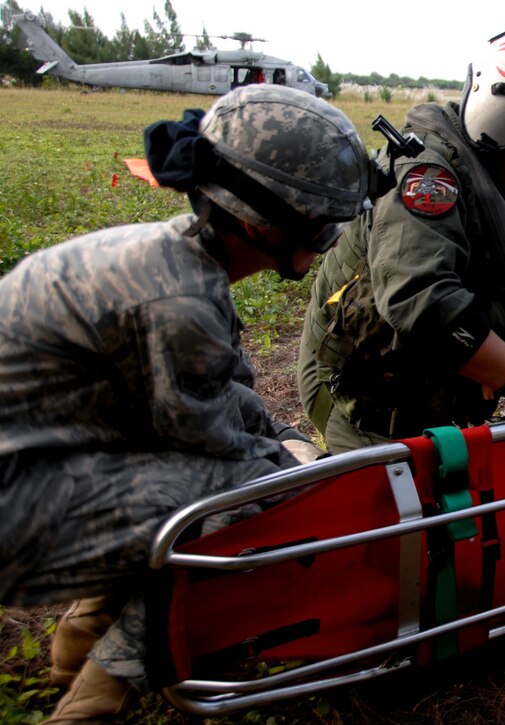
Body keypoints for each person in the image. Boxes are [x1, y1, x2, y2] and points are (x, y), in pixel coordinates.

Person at [0, 84, 371, 723]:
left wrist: (277, 434)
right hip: (19, 508)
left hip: (40, 468)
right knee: (249, 500)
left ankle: (82, 642)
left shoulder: (178, 256)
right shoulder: (182, 306)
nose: (330, 241)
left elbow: (226, 395)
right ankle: (101, 690)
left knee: (248, 476)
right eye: (322, 224)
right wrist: (294, 465)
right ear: (260, 223)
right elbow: (218, 449)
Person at [298, 27, 505, 453]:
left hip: (431, 388)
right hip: (364, 398)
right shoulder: (427, 178)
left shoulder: (498, 177)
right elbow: (421, 300)